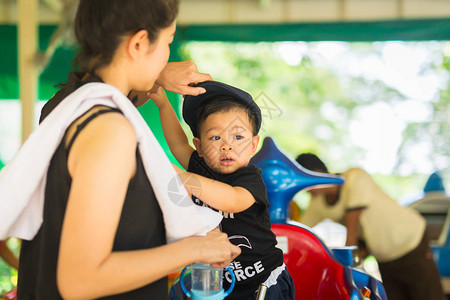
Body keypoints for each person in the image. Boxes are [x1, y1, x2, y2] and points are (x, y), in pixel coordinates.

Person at [15, 1, 241, 299]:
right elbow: (81, 279)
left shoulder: (72, 110)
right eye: (168, 42)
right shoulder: (110, 130)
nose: (167, 57)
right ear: (139, 43)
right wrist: (196, 248)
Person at [151, 80, 295, 299]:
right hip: (214, 278)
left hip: (261, 282)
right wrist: (163, 105)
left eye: (238, 137)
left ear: (253, 145)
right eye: (215, 137)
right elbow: (178, 144)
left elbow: (232, 200)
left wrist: (181, 177)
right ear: (199, 146)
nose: (226, 146)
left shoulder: (250, 178)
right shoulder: (200, 168)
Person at [296, 153, 445, 300]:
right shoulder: (317, 203)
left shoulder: (354, 178)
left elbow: (352, 227)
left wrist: (347, 270)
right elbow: (297, 231)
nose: (305, 189)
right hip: (384, 256)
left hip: (411, 242)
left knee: (428, 296)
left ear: (318, 173)